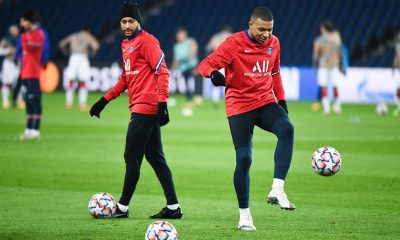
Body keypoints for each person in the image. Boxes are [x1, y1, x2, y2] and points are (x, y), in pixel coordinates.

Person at [198, 7, 295, 231]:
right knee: (244, 159)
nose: (266, 34)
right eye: (262, 29)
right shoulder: (233, 43)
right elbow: (204, 64)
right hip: (239, 105)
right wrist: (213, 73)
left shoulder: (274, 44)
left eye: (270, 30)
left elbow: (275, 74)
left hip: (264, 101)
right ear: (250, 24)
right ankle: (244, 216)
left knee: (287, 129)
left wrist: (281, 102)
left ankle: (277, 189)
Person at [89, 0, 182, 219]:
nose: (127, 25)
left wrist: (162, 104)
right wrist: (104, 100)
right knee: (156, 158)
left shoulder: (147, 42)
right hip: (140, 105)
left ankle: (121, 207)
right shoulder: (126, 44)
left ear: (138, 21)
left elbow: (163, 72)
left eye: (131, 21)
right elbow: (125, 79)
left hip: (146, 107)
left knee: (131, 154)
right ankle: (173, 207)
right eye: (123, 21)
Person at [18, 11, 46, 140]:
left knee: (35, 100)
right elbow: (24, 47)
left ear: (29, 21)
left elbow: (29, 46)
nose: (21, 24)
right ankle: (28, 129)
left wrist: (25, 39)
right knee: (27, 100)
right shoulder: (25, 35)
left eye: (23, 21)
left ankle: (36, 130)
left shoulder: (39, 34)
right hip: (24, 73)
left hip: (34, 73)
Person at [59, 26, 100, 111]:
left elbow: (61, 44)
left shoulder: (74, 36)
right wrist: (92, 53)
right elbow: (96, 46)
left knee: (71, 81)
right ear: (88, 31)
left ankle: (68, 103)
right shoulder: (88, 36)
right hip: (83, 58)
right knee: (83, 82)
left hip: (73, 58)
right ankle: (82, 104)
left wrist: (65, 52)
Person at [312, 20, 343, 115]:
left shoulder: (318, 40)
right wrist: (341, 64)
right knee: (335, 86)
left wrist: (314, 65)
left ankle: (327, 108)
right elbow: (340, 51)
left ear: (323, 28)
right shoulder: (336, 38)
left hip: (323, 66)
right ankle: (337, 107)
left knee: (323, 87)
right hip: (334, 65)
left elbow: (316, 54)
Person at [172, 27, 200, 116]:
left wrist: (188, 56)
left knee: (193, 81)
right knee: (186, 84)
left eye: (182, 34)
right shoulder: (176, 46)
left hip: (192, 65)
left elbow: (194, 48)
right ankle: (189, 100)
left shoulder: (190, 41)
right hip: (183, 68)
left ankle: (196, 98)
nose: (180, 36)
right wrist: (174, 66)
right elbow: (175, 58)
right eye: (179, 35)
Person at [205, 25, 232, 107]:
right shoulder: (232, 36)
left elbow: (208, 48)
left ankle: (215, 100)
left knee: (217, 81)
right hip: (229, 61)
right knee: (229, 82)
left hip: (217, 61)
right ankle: (229, 101)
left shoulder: (215, 37)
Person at [0, 24, 21, 109]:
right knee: (6, 83)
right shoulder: (6, 40)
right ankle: (5, 102)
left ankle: (19, 100)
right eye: (14, 29)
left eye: (16, 29)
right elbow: (1, 51)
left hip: (18, 63)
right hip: (8, 63)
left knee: (19, 83)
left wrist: (15, 51)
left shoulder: (20, 39)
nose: (16, 30)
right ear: (10, 30)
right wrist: (9, 50)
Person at [393, 26, 400, 117]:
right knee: (398, 89)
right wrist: (394, 66)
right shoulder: (397, 45)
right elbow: (397, 56)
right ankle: (398, 107)